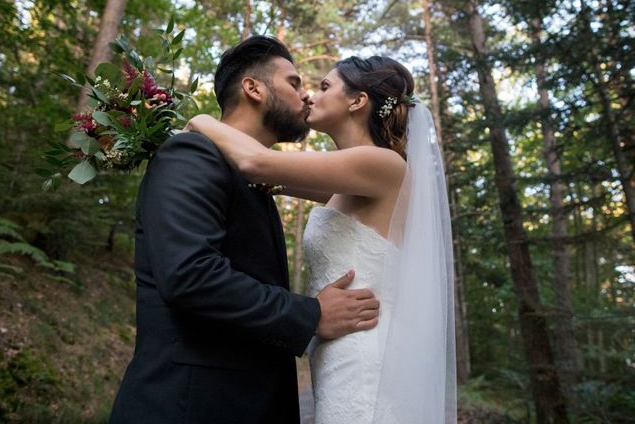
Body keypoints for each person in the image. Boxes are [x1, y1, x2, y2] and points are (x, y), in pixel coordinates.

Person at [109, 36, 381, 424]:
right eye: (293, 83)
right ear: (253, 88)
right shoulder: (190, 154)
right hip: (189, 406)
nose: (306, 97)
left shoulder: (254, 177)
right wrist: (310, 314)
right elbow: (191, 275)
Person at [185, 55, 457, 423]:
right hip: (339, 350)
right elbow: (265, 180)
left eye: (326, 86)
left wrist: (200, 120)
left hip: (365, 354)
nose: (311, 95)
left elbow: (256, 164)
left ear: (357, 101)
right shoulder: (348, 182)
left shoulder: (383, 164)